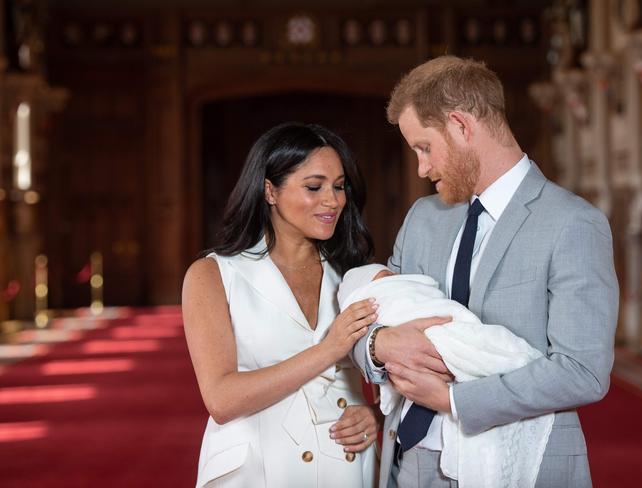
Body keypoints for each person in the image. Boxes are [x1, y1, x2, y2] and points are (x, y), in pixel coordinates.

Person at [352, 55, 618, 488]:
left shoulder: (572, 223)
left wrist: (456, 400)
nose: (421, 168)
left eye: (424, 147)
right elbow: (369, 317)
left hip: (518, 462)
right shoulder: (423, 216)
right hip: (408, 458)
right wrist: (379, 344)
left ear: (461, 125)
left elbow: (582, 371)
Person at [182, 122, 380, 488]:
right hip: (256, 471)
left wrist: (375, 416)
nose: (333, 200)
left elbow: (394, 380)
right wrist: (327, 350)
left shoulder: (354, 275)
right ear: (270, 191)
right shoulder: (213, 275)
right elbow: (221, 400)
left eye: (339, 187)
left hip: (346, 468)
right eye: (313, 187)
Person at [339, 263, 554, 488]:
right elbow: (354, 329)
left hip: (491, 434)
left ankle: (509, 356)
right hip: (412, 455)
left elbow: (582, 372)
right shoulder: (414, 229)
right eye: (387, 278)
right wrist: (379, 342)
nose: (394, 277)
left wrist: (451, 399)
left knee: (488, 348)